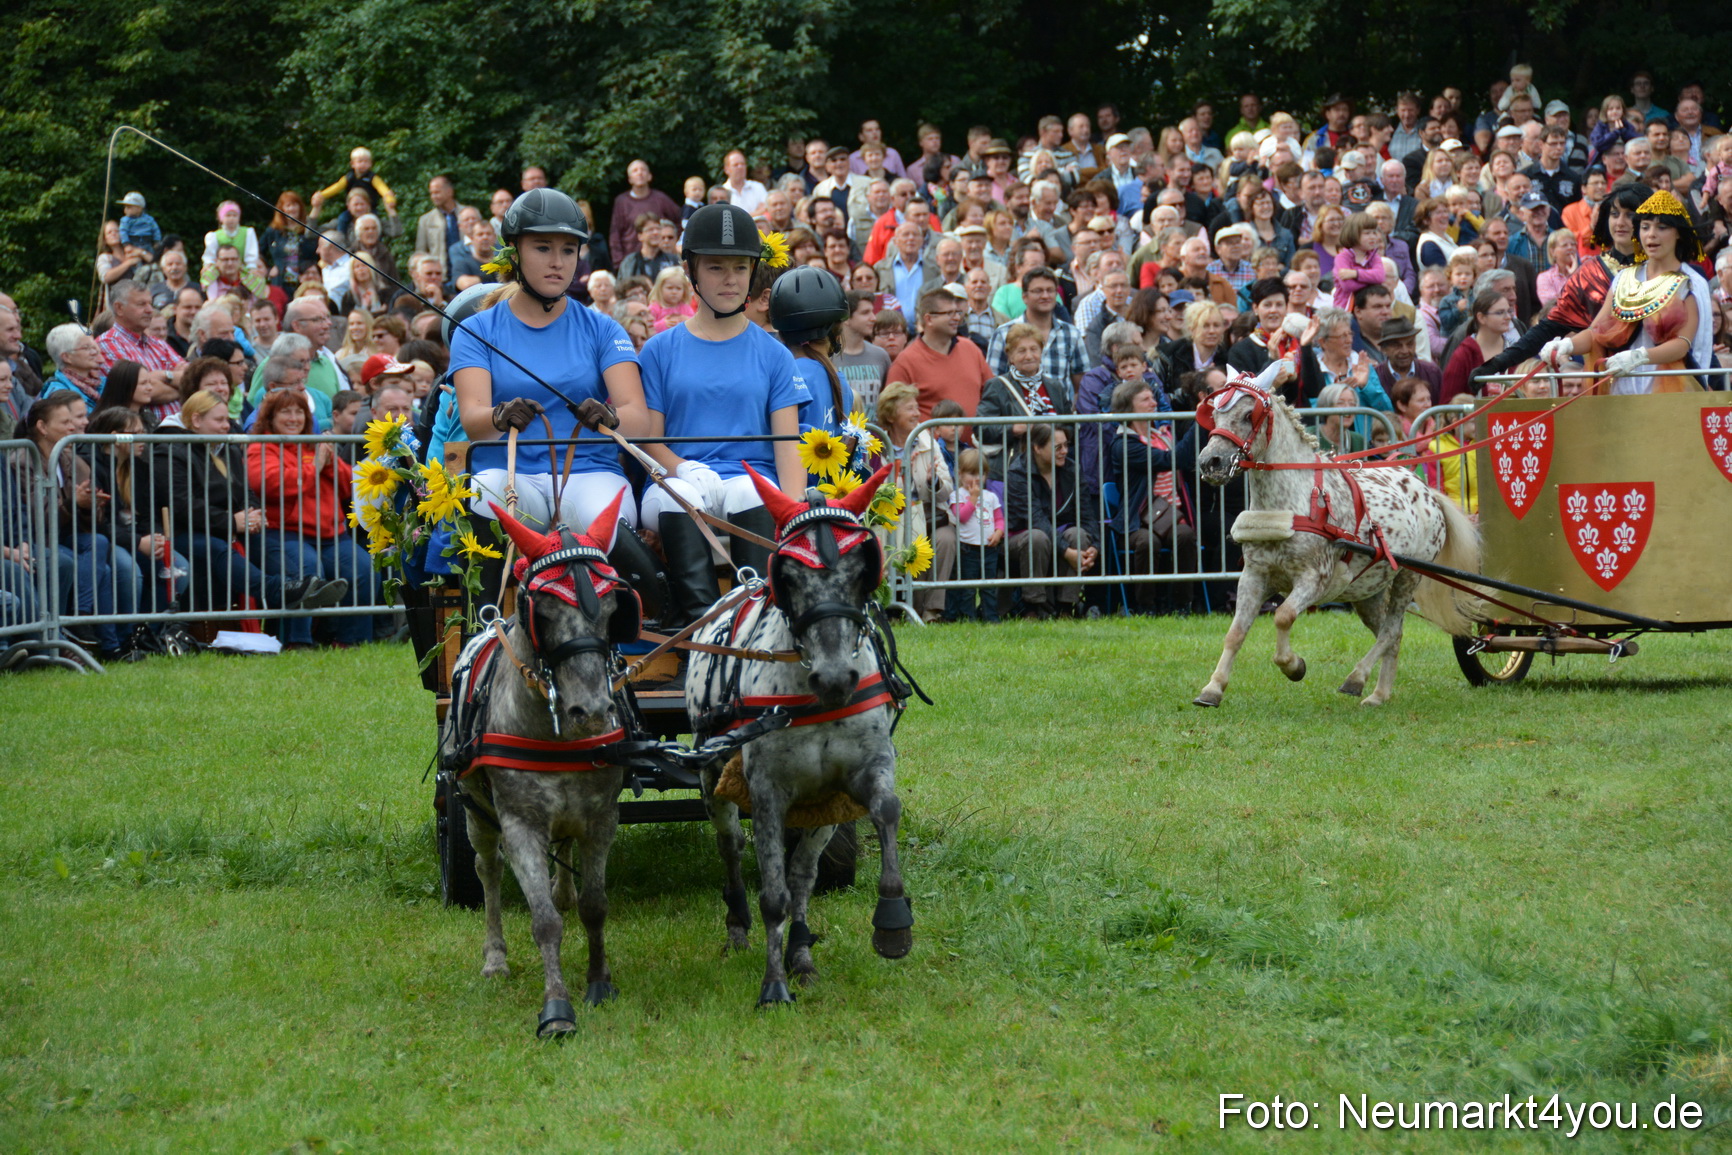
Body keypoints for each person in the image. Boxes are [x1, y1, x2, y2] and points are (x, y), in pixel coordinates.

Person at [451, 187, 654, 609]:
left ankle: (647, 618)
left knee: (605, 517)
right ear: (515, 253)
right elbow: (472, 418)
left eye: (568, 249)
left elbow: (639, 418)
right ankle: (483, 627)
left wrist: (611, 417)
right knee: (484, 491)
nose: (557, 261)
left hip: (588, 472)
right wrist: (499, 415)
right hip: (510, 476)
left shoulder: (603, 329)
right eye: (542, 247)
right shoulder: (477, 330)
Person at [637, 202, 806, 628]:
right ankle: (698, 629)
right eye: (715, 267)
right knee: (686, 498)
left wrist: (794, 511)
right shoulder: (658, 349)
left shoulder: (775, 354)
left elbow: (787, 446)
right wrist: (682, 468)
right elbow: (649, 439)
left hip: (749, 480)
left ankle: (756, 620)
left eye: (739, 267)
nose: (730, 278)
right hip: (676, 480)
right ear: (692, 271)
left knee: (750, 494)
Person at [1544, 190, 1713, 393]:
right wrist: (1567, 345)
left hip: (1672, 393)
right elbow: (1596, 332)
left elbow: (1683, 344)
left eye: (1662, 227)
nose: (1651, 234)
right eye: (1645, 227)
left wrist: (1639, 357)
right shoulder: (1625, 278)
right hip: (1623, 389)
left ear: (1678, 232)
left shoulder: (1691, 282)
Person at [244, 390, 374, 648]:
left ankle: (350, 641)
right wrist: (314, 466)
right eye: (286, 412)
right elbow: (271, 484)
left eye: (299, 412)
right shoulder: (261, 446)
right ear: (270, 416)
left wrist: (329, 464)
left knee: (363, 569)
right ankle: (298, 642)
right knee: (308, 571)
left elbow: (349, 486)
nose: (293, 418)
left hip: (331, 534)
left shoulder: (314, 443)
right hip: (285, 533)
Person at [1106, 374, 1195, 614]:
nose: (1154, 403)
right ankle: (1146, 607)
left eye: (1153, 398)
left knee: (1185, 535)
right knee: (1148, 541)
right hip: (1137, 518)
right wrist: (1200, 425)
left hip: (1171, 514)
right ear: (1128, 407)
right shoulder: (1124, 443)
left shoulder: (1162, 435)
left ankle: (1182, 605)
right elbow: (1170, 460)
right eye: (1146, 399)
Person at [1005, 423, 1096, 619]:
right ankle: (1033, 608)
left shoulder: (1072, 469)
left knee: (1078, 534)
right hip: (1022, 537)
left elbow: (1087, 513)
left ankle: (1066, 609)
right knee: (1037, 537)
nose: (1065, 451)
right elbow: (1036, 519)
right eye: (1057, 447)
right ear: (1037, 448)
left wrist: (1094, 547)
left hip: (1058, 534)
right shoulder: (1018, 473)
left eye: (1066, 445)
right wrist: (1066, 551)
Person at [977, 322, 1077, 479]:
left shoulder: (1055, 387)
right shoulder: (997, 386)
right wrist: (1013, 429)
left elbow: (1069, 427)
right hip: (1017, 472)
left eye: (1034, 349)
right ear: (1010, 356)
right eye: (1021, 351)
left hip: (1055, 471)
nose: (1029, 356)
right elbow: (981, 429)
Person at [886, 287, 993, 424]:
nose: (957, 318)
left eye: (957, 312)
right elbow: (892, 412)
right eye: (949, 313)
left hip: (975, 444)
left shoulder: (971, 349)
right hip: (929, 445)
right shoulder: (905, 361)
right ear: (929, 319)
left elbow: (991, 395)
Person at [944, 447, 1003, 622]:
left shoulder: (991, 497)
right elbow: (961, 516)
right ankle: (967, 617)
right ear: (960, 474)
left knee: (989, 586)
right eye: (971, 473)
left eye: (981, 474)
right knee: (968, 587)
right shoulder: (957, 495)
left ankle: (990, 617)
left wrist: (999, 532)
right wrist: (973, 499)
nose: (977, 478)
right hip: (967, 548)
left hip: (989, 548)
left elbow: (999, 518)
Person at [1443, 290, 1514, 396]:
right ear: (1481, 317)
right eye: (1500, 312)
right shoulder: (1463, 355)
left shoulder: (1514, 351)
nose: (1508, 317)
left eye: (1509, 311)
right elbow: (1447, 403)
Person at [835, 289, 892, 414]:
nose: (873, 318)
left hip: (875, 432)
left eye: (872, 312)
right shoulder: (829, 358)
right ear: (846, 319)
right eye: (865, 313)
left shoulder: (880, 356)